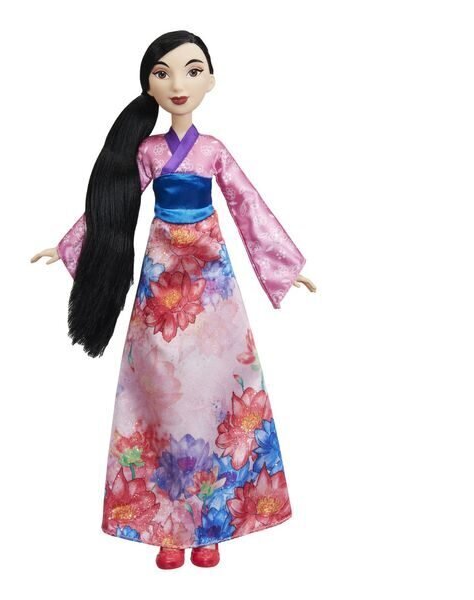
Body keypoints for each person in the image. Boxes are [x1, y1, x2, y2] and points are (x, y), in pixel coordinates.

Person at [31, 30, 316, 570]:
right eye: (163, 73)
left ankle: (212, 525)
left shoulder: (212, 151)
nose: (178, 83)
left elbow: (247, 205)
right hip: (162, 280)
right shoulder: (148, 152)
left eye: (192, 70)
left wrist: (285, 266)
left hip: (212, 281)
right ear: (149, 85)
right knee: (158, 392)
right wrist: (71, 246)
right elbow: (115, 206)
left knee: (219, 391)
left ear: (211, 80)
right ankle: (166, 526)